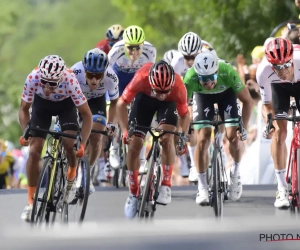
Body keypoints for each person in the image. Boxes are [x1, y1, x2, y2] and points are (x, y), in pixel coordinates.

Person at [18, 55, 92, 221]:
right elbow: (24, 109)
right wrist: (26, 133)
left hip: (66, 107)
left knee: (69, 144)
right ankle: (30, 204)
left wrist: (83, 143)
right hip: (41, 107)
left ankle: (72, 172)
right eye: (44, 82)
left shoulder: (70, 80)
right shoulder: (33, 77)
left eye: (52, 84)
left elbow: (87, 115)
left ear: (61, 78)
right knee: (34, 151)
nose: (46, 87)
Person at [116, 60, 190, 218]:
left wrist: (182, 134)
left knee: (167, 139)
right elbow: (121, 103)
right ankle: (134, 192)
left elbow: (185, 115)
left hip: (168, 106)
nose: (162, 95)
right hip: (144, 101)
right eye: (158, 91)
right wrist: (124, 131)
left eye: (165, 91)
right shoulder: (141, 77)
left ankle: (166, 184)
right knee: (134, 144)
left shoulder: (177, 86)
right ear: (150, 82)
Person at [184, 50, 253, 205]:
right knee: (202, 138)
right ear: (197, 75)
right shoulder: (190, 77)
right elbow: (182, 106)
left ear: (217, 72)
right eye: (204, 79)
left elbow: (248, 101)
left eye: (212, 78)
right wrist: (185, 128)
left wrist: (244, 127)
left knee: (233, 137)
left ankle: (235, 175)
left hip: (226, 94)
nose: (209, 83)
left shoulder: (227, 71)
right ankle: (202, 187)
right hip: (202, 97)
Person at [256, 38, 300, 208]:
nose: (282, 71)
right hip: (279, 89)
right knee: (279, 133)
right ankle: (282, 188)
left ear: (291, 60)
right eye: (277, 67)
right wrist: (270, 123)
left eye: (285, 65)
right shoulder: (264, 71)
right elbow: (266, 106)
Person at [108, 25, 156, 171]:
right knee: (117, 104)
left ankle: (141, 158)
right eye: (130, 48)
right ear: (124, 45)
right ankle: (114, 149)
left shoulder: (150, 51)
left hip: (138, 78)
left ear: (143, 44)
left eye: (137, 48)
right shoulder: (115, 50)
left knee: (142, 111)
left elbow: (149, 74)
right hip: (120, 78)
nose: (134, 52)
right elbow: (107, 74)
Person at [71, 48, 119, 191]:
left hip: (97, 101)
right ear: (84, 70)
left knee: (97, 135)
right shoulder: (75, 72)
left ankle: (87, 173)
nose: (93, 80)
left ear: (104, 73)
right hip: (76, 100)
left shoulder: (111, 77)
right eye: (90, 74)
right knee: (69, 134)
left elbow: (115, 102)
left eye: (98, 76)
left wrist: (111, 123)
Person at [171, 32, 202, 180]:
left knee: (192, 128)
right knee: (177, 124)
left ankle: (195, 165)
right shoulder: (176, 62)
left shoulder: (207, 57)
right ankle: (183, 161)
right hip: (183, 89)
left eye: (193, 57)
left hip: (201, 88)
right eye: (186, 57)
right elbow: (171, 86)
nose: (189, 61)